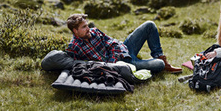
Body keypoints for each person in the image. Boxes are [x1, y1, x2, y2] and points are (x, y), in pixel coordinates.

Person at [51, 14, 182, 74]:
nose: (88, 29)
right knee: (157, 65)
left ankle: (161, 57)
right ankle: (160, 63)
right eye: (84, 27)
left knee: (149, 24)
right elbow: (74, 65)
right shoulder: (74, 47)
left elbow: (113, 43)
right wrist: (114, 65)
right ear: (75, 31)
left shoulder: (95, 32)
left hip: (124, 51)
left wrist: (113, 59)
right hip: (125, 65)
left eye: (87, 25)